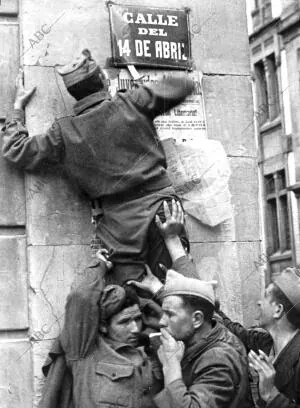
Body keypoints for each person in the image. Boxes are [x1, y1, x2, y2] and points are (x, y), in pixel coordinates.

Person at [1, 49, 194, 284]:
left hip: (117, 227)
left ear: (74, 93)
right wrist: (141, 92)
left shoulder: (63, 132)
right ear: (103, 79)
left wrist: (17, 107)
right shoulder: (131, 102)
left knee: (130, 300)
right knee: (181, 289)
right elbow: (183, 84)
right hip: (160, 210)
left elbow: (16, 150)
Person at [39, 249, 163, 408]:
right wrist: (100, 265)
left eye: (137, 319)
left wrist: (159, 291)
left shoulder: (151, 350)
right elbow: (81, 297)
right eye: (124, 322)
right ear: (104, 326)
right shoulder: (85, 351)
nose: (134, 329)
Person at [129, 267, 250, 408]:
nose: (161, 321)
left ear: (197, 319)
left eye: (170, 314)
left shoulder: (219, 359)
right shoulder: (208, 328)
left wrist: (171, 366)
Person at [216, 267, 300, 407]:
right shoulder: (266, 342)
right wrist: (214, 308)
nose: (259, 302)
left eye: (266, 296)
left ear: (278, 310)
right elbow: (237, 332)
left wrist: (271, 394)